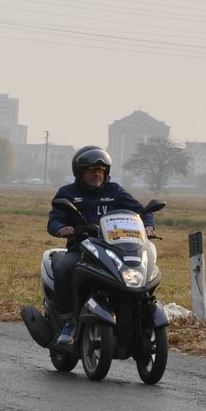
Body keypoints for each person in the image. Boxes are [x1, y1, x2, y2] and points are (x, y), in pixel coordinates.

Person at [46, 145, 155, 348]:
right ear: (80, 173)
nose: (97, 174)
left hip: (114, 248)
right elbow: (54, 221)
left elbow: (141, 210)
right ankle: (69, 322)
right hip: (82, 249)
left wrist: (148, 225)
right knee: (63, 268)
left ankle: (139, 317)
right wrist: (62, 229)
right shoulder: (67, 193)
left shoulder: (115, 191)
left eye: (101, 170)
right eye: (91, 170)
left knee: (141, 272)